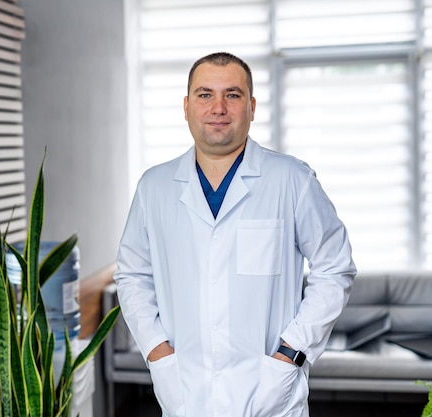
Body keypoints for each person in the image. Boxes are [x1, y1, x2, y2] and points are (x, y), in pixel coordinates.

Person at [114, 51, 357, 417]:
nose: (218, 107)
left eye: (232, 94)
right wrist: (156, 350)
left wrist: (291, 353)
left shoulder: (292, 179)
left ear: (252, 106)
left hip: (271, 394)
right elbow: (132, 275)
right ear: (186, 106)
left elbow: (334, 269)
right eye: (205, 94)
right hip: (185, 392)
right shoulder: (154, 187)